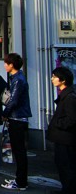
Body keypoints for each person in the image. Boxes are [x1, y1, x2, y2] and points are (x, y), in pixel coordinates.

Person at [0, 53, 31, 191]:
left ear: (12, 65)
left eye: (6, 63)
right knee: (19, 151)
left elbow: (14, 100)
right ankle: (20, 179)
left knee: (19, 151)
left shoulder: (18, 79)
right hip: (18, 117)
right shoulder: (18, 78)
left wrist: (4, 113)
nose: (5, 65)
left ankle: (21, 182)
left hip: (17, 118)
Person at [47, 66, 76, 194]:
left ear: (63, 80)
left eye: (54, 76)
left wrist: (57, 123)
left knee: (66, 167)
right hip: (63, 138)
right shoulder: (66, 95)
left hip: (66, 138)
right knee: (63, 166)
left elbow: (72, 119)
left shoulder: (70, 97)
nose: (52, 79)